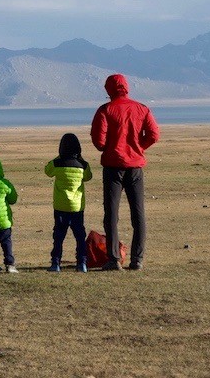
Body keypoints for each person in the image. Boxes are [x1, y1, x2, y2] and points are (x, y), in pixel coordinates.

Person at [91, 74, 160, 271]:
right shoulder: (142, 108)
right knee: (138, 213)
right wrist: (138, 148)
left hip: (113, 167)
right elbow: (154, 134)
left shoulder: (106, 110)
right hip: (135, 167)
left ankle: (113, 259)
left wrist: (114, 147)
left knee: (111, 214)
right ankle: (137, 259)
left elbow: (99, 142)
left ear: (109, 89)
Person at [45, 133, 92, 273]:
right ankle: (82, 263)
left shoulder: (57, 163)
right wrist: (80, 159)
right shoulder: (83, 165)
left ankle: (55, 263)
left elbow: (47, 171)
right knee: (79, 236)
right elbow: (88, 177)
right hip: (77, 207)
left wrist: (59, 157)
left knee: (58, 236)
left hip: (60, 206)